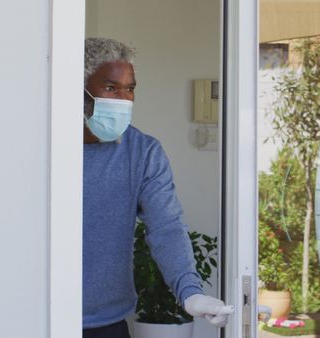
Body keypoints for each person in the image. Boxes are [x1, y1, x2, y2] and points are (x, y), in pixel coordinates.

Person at [82, 37, 233, 338]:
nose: (122, 100)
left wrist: (190, 292)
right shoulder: (42, 146)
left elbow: (167, 227)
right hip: (33, 315)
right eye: (110, 88)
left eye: (130, 89)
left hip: (106, 325)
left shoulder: (143, 152)